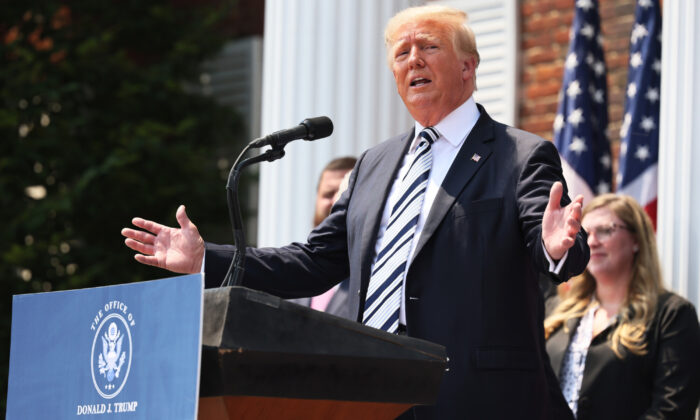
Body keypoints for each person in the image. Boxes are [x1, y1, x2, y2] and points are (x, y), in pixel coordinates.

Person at [121, 5, 589, 419]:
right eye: (402, 54)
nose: (414, 60)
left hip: (478, 396)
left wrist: (553, 248)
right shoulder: (374, 164)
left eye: (429, 46)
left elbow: (554, 242)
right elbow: (315, 261)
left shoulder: (519, 155)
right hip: (375, 395)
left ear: (468, 66)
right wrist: (208, 259)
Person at [544, 194, 700, 420]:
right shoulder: (556, 310)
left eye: (606, 230)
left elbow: (672, 410)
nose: (592, 241)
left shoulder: (672, 314)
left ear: (637, 240)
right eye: (585, 233)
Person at [288, 156, 356, 319]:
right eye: (328, 194)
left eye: (345, 193)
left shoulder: (374, 272)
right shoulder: (296, 270)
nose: (336, 201)